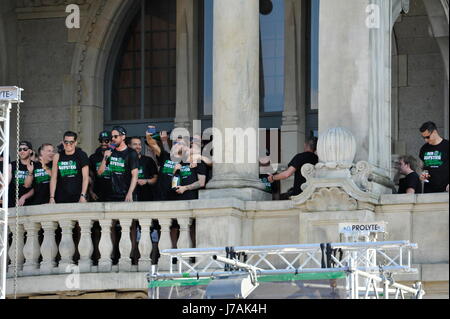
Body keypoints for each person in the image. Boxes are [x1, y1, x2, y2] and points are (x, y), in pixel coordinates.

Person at [98, 126, 138, 202]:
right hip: (111, 195)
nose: (112, 139)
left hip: (126, 194)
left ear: (123, 137)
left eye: (115, 136)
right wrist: (105, 158)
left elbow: (135, 175)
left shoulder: (131, 153)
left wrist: (130, 193)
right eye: (111, 137)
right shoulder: (110, 151)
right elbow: (100, 172)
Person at [50, 131, 90, 203]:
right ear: (63, 142)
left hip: (77, 196)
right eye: (66, 142)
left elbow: (85, 177)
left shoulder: (82, 155)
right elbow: (53, 178)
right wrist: (52, 197)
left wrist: (83, 195)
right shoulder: (57, 156)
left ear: (75, 143)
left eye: (71, 142)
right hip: (61, 196)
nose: (68, 144)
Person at [418, 122, 449, 193]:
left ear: (434, 132)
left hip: (446, 188)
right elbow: (421, 167)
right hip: (429, 189)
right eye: (423, 137)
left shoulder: (447, 146)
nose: (426, 140)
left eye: (427, 137)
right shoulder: (424, 148)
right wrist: (421, 174)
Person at [129, 136, 158, 201]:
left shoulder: (148, 160)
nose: (138, 147)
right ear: (129, 146)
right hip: (129, 196)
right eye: (135, 144)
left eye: (139, 144)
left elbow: (156, 179)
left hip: (146, 196)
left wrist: (146, 181)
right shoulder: (125, 160)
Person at [9, 141, 35, 207]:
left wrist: (24, 197)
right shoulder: (12, 165)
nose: (22, 151)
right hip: (12, 202)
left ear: (30, 151)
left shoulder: (36, 165)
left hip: (30, 203)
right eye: (19, 149)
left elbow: (35, 187)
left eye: (25, 149)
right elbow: (6, 183)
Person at [89, 131, 113, 202]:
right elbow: (90, 176)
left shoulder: (116, 155)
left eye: (106, 141)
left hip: (114, 194)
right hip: (97, 194)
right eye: (101, 141)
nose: (103, 143)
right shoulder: (93, 157)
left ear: (111, 141)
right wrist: (91, 192)